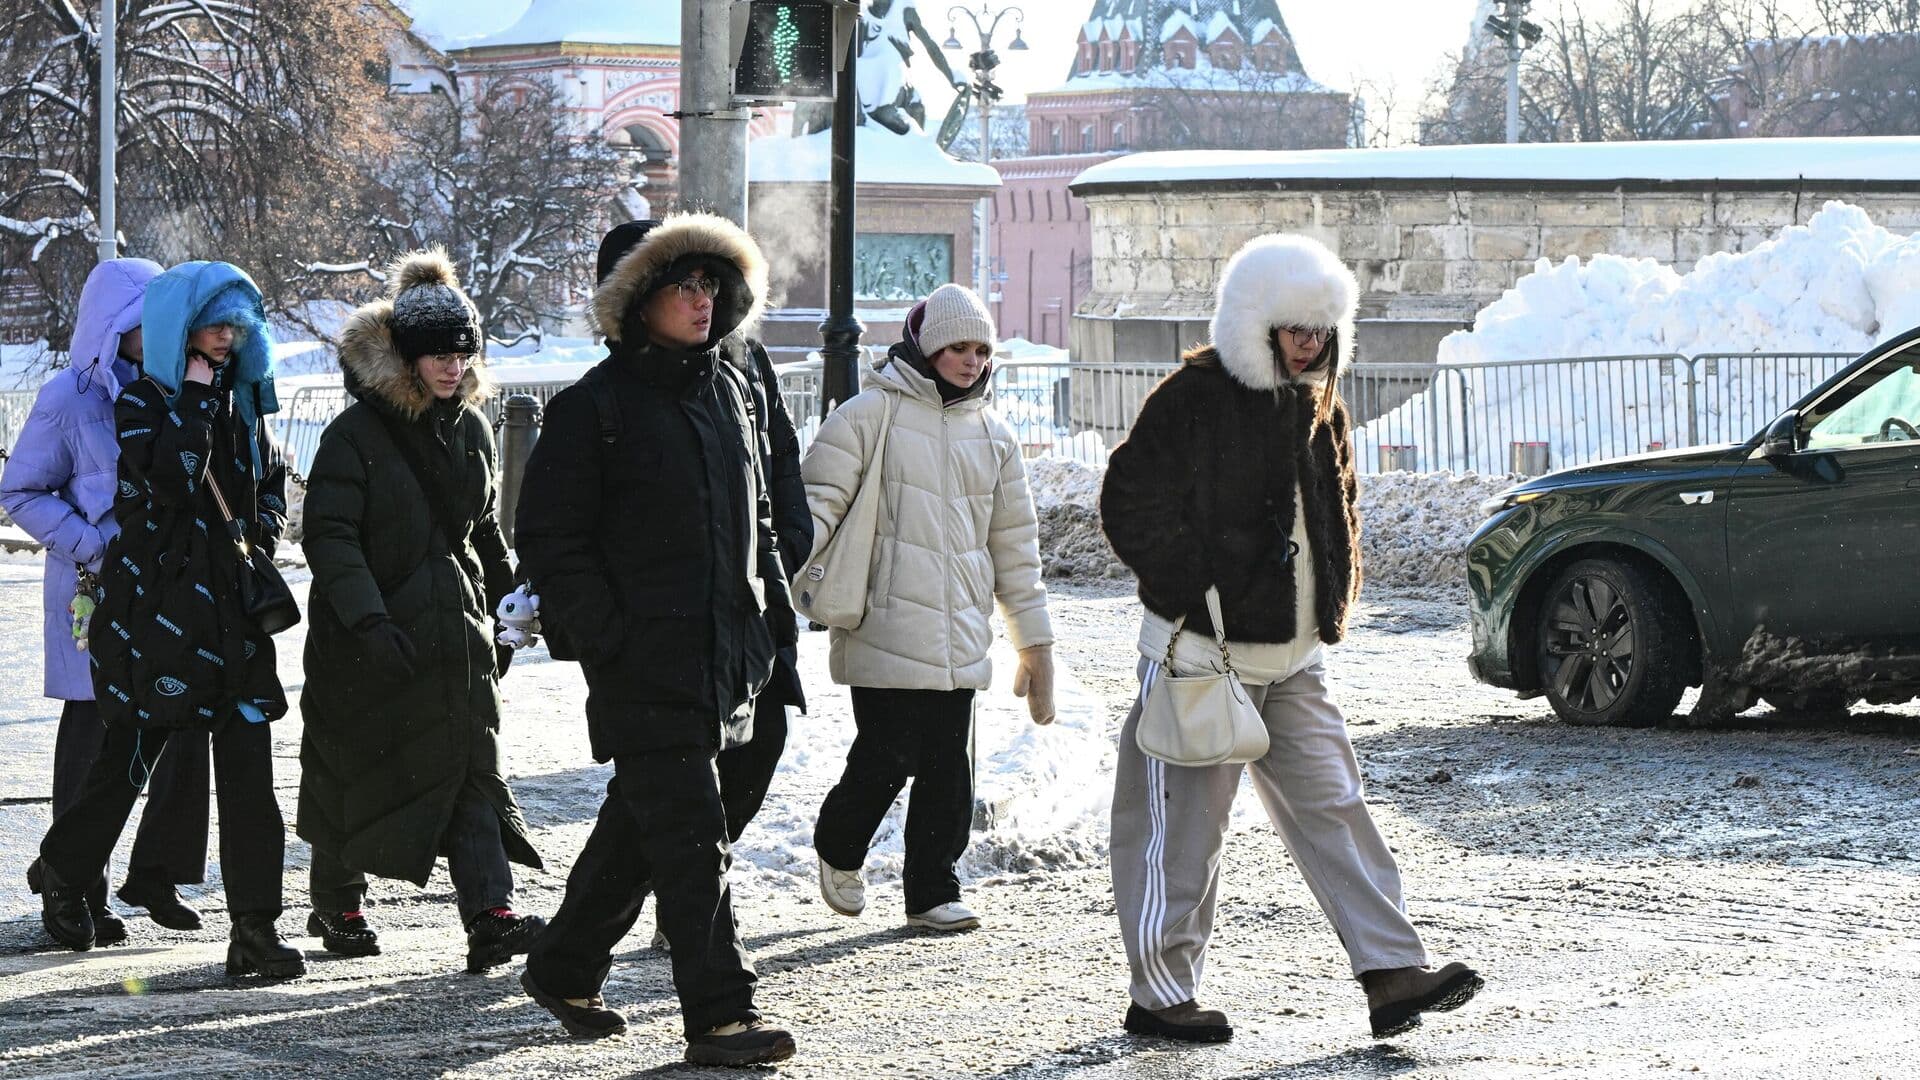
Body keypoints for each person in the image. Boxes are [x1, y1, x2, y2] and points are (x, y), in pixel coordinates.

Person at [1099, 233, 1482, 1043]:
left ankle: (1391, 973)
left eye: (1321, 329)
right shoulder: (1193, 397)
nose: (1310, 344)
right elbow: (1129, 501)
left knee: (1337, 809)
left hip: (1296, 657)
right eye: (1295, 329)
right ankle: (1162, 993)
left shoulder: (1321, 401)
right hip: (1202, 657)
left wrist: (1331, 600)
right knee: (1183, 836)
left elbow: (1333, 512)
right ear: (1255, 325)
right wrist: (1194, 591)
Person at [514, 213, 796, 1066]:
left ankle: (564, 965)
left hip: (731, 653)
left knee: (648, 823)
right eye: (683, 286)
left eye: (711, 284)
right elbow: (551, 540)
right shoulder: (591, 409)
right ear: (638, 302)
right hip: (645, 661)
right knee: (689, 834)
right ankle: (720, 1013)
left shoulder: (734, 392)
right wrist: (609, 636)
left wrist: (773, 621)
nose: (701, 301)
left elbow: (764, 520)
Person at [35, 260, 302, 978]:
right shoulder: (144, 402)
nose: (223, 340)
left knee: (250, 775)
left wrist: (263, 536)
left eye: (234, 328)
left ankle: (254, 929)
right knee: (129, 757)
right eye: (211, 326)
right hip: (161, 611)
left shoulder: (246, 403)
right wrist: (193, 393)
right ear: (179, 331)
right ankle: (64, 867)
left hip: (232, 616)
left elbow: (270, 484)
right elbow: (172, 480)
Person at [294, 250, 544, 973]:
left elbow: (485, 527)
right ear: (405, 355)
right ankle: (338, 904)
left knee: (469, 770)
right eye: (437, 353)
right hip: (366, 638)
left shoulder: (470, 429)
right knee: (357, 765)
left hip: (458, 636)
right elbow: (331, 536)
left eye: (463, 352)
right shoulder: (354, 436)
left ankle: (490, 915)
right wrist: (370, 621)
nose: (451, 366)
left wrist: (510, 600)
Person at [802, 283, 1056, 933]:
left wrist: (1034, 643)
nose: (970, 361)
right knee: (886, 754)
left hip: (962, 627)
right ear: (926, 347)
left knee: (950, 767)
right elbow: (813, 513)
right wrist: (782, 591)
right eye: (956, 348)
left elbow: (1014, 548)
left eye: (979, 350)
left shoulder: (995, 437)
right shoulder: (867, 415)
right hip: (883, 619)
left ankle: (932, 889)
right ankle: (840, 845)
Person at [4, 258, 212, 945]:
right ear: (108, 327)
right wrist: (93, 547)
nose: (153, 333)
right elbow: (20, 492)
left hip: (164, 592)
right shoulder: (68, 398)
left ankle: (119, 872)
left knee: (171, 724)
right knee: (94, 735)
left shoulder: (166, 388)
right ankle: (75, 890)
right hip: (93, 593)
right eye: (138, 322)